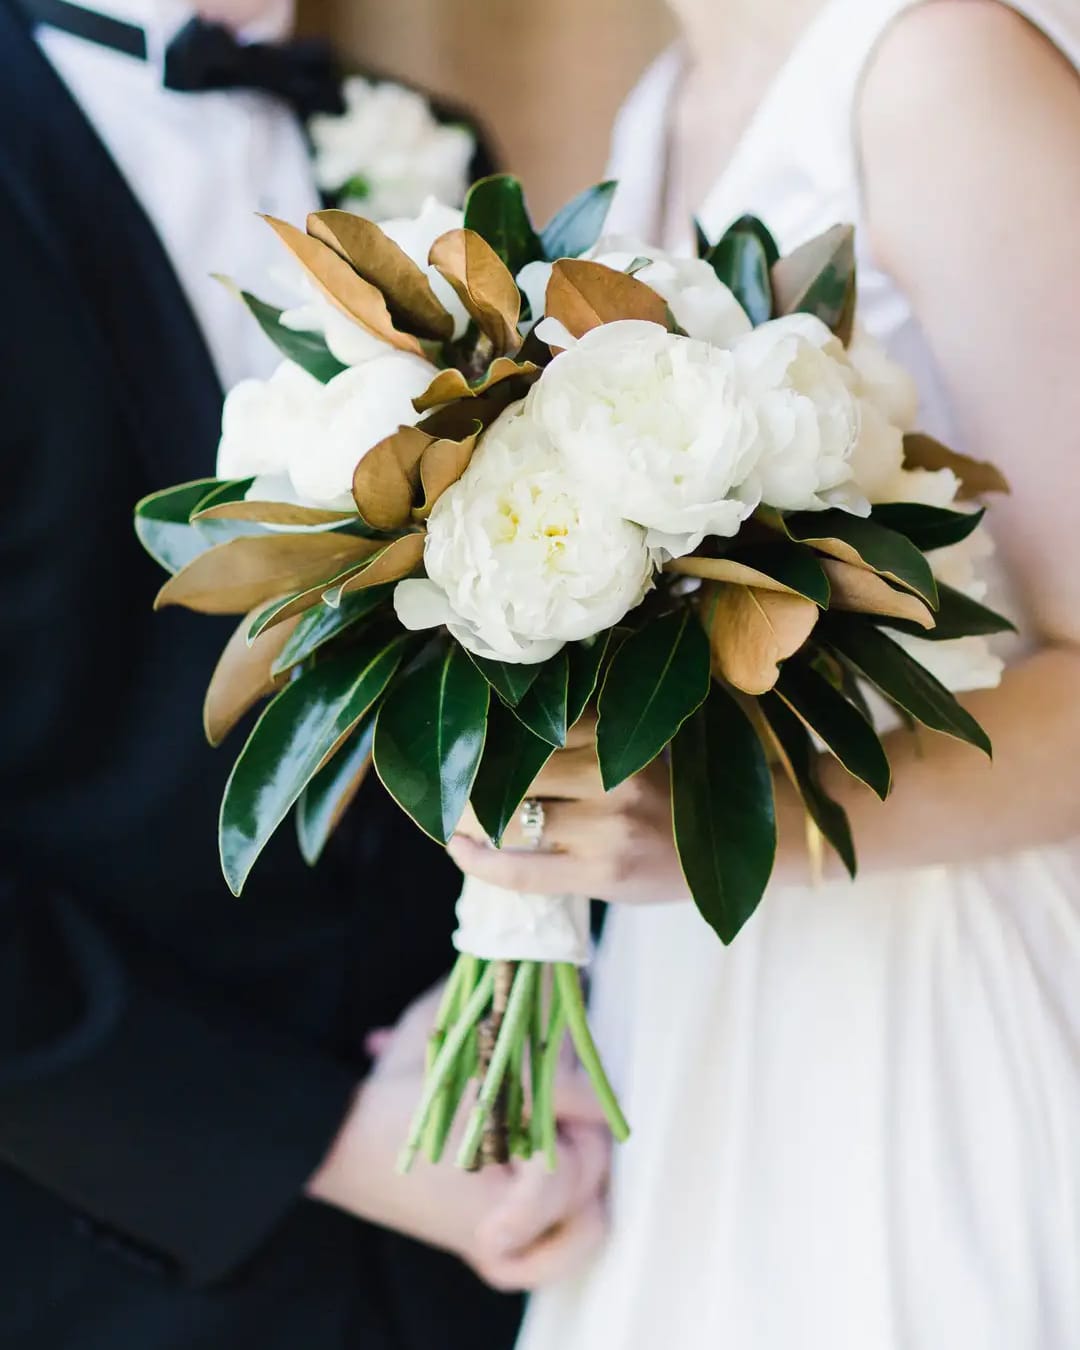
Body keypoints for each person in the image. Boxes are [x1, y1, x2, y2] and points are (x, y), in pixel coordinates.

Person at [447, 0, 1080, 1345]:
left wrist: (750, 824)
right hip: (702, 1010)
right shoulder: (663, 99)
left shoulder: (937, 70)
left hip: (928, 1011)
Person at [0, 2, 609, 1346]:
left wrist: (532, 989)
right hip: (109, 1255)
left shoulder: (428, 150)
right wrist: (334, 1139)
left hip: (506, 1213)